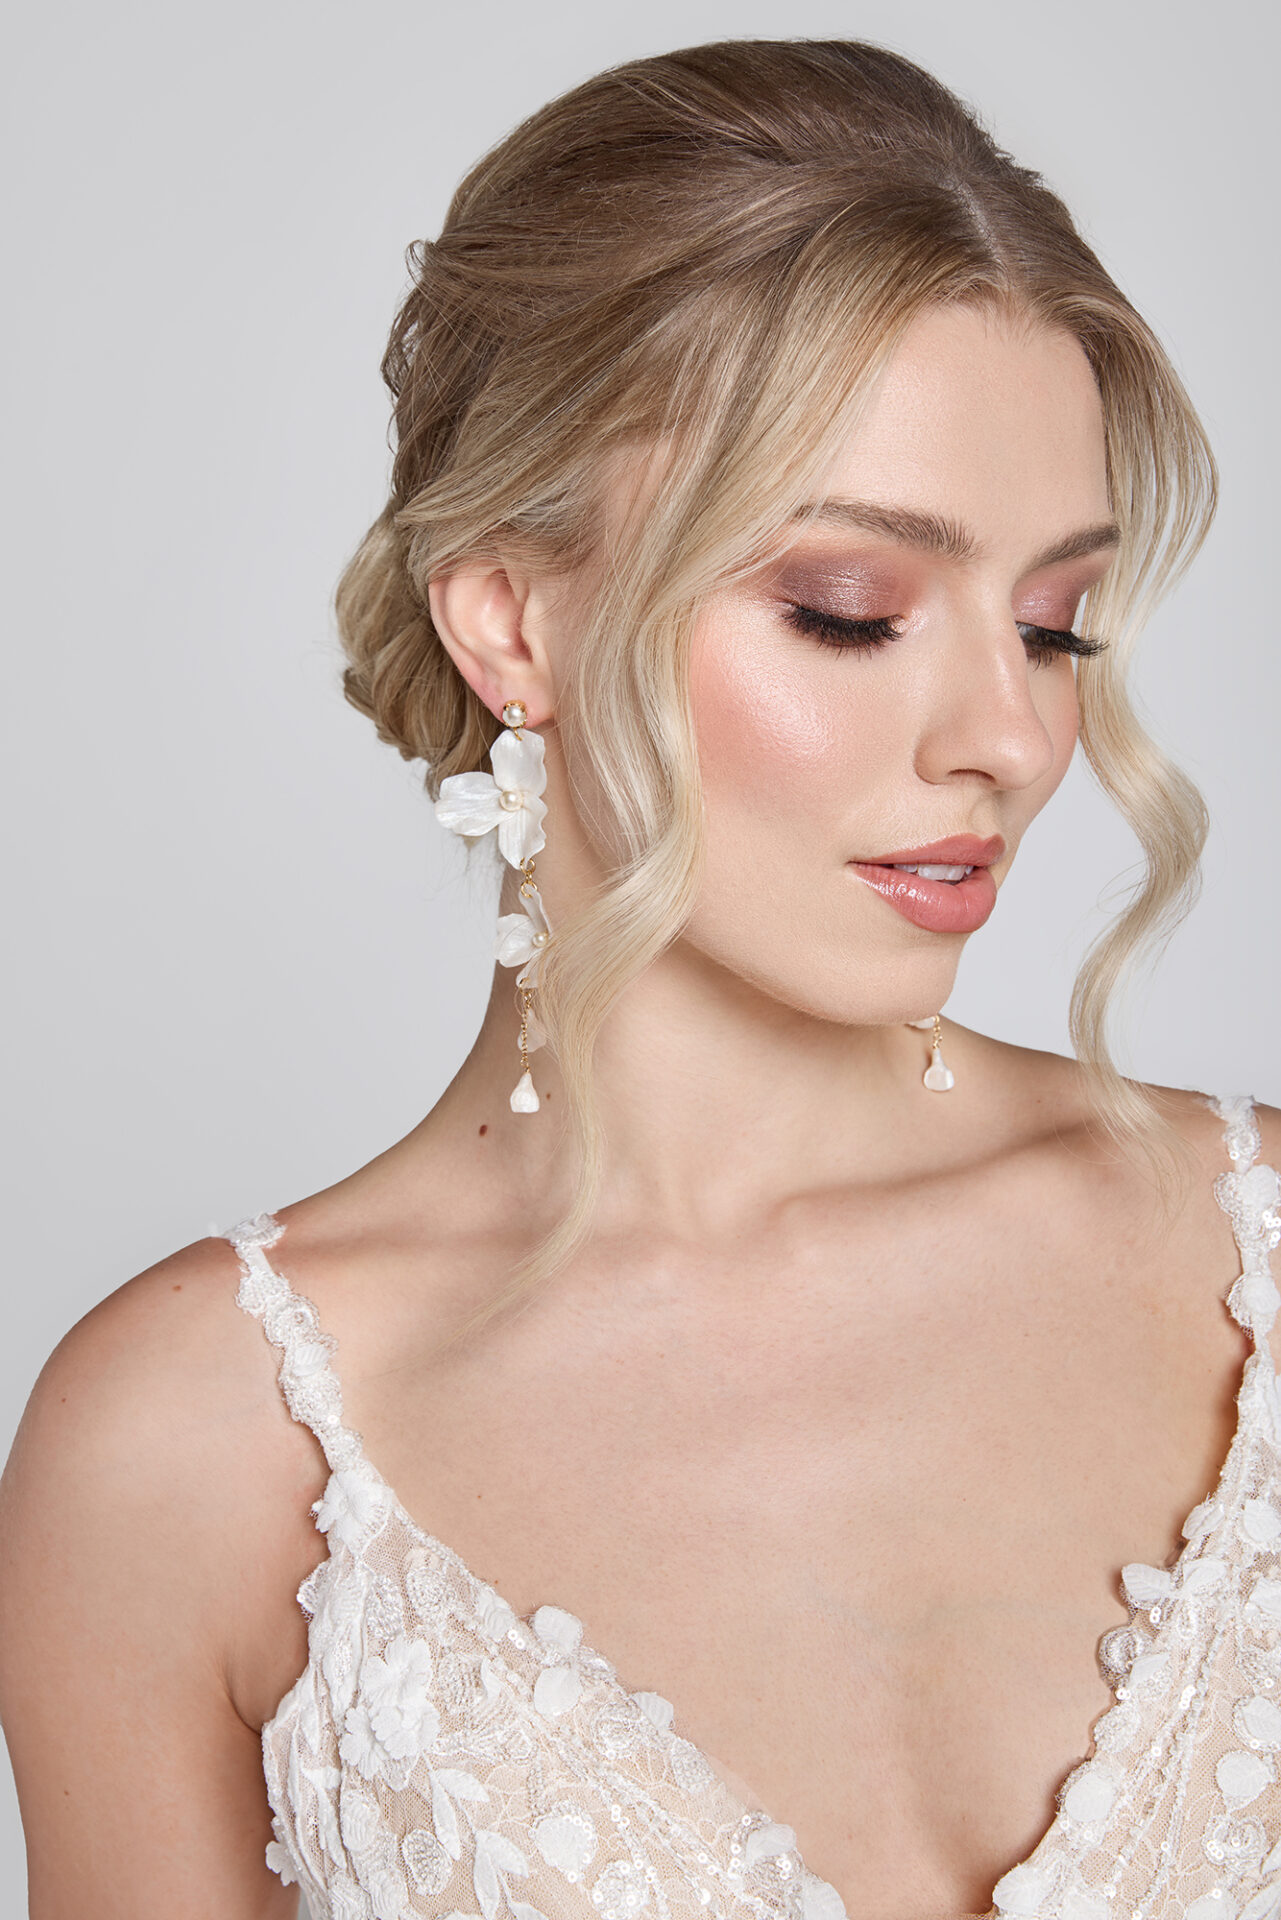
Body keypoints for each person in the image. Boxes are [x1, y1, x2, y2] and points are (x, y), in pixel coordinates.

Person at [1, 32, 1278, 1920]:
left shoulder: (1259, 1267)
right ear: (511, 620)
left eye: (1051, 624)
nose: (1009, 739)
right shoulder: (196, 1449)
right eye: (849, 611)